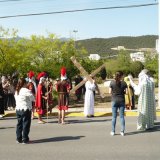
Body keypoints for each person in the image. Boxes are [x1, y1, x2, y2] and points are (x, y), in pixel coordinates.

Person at [14, 78, 34, 144]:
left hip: (18, 109)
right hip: (25, 109)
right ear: (24, 83)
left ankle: (18, 138)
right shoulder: (25, 90)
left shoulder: (17, 90)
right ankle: (25, 139)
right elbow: (32, 98)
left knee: (19, 124)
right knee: (26, 124)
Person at [109, 71, 127, 136]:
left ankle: (113, 131)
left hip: (114, 100)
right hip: (122, 100)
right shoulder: (124, 83)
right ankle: (122, 131)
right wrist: (122, 92)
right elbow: (126, 92)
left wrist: (114, 93)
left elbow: (109, 92)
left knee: (114, 117)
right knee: (122, 117)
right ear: (121, 76)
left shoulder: (112, 82)